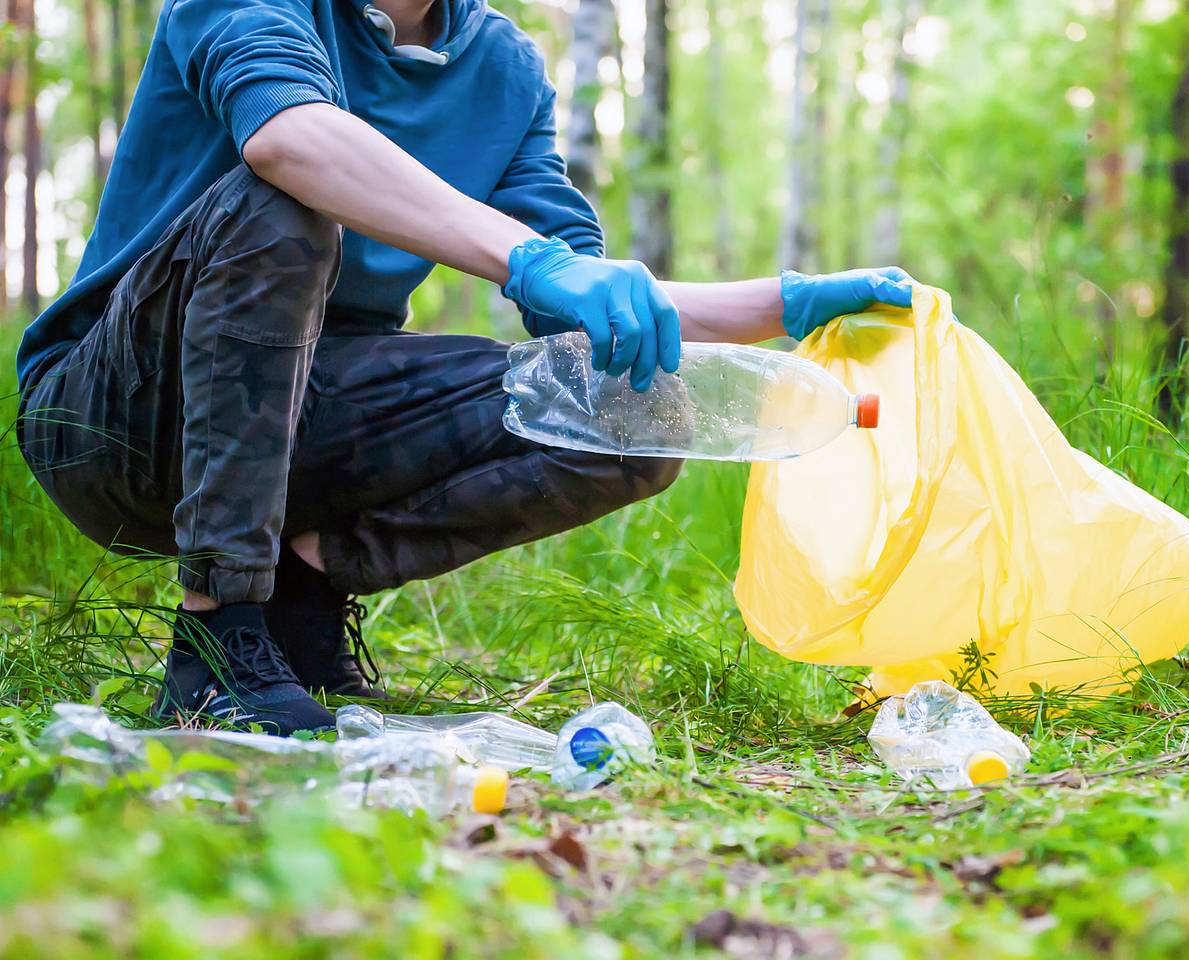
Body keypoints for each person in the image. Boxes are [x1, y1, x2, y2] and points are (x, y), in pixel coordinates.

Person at [15, 0, 914, 734]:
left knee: (630, 411)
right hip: (112, 418)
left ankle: (301, 592)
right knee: (281, 207)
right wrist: (530, 261)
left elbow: (583, 296)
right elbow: (287, 140)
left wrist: (785, 302)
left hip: (307, 408)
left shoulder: (504, 69)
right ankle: (216, 637)